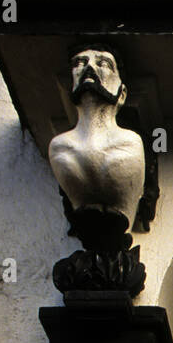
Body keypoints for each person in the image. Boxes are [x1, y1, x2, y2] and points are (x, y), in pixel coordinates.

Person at [48, 47, 145, 235]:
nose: (89, 68)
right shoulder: (59, 146)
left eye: (103, 64)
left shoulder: (130, 143)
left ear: (122, 93)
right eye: (79, 63)